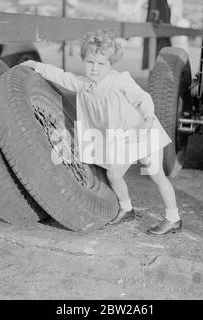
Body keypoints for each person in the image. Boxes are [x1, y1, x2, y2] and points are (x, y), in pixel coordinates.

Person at [21, 30, 182, 235]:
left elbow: (142, 97)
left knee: (156, 174)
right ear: (83, 60)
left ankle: (173, 218)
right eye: (90, 62)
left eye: (100, 64)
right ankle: (126, 208)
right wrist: (36, 66)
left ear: (110, 64)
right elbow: (61, 76)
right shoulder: (83, 83)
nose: (94, 69)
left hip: (142, 131)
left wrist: (149, 117)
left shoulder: (119, 80)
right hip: (124, 139)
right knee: (114, 174)